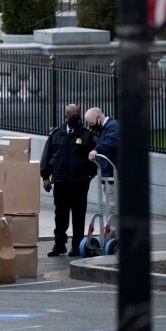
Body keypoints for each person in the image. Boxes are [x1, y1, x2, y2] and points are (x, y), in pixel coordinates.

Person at [40, 104, 97, 257]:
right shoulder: (56, 134)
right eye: (74, 115)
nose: (77, 118)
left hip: (79, 183)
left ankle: (77, 246)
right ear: (66, 116)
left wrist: (89, 176)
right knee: (60, 215)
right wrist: (45, 177)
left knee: (78, 215)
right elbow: (47, 156)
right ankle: (59, 245)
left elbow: (94, 156)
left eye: (78, 114)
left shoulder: (86, 135)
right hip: (60, 182)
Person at [84, 107, 119, 215]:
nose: (91, 126)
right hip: (109, 176)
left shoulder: (113, 126)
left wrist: (96, 150)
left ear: (99, 118)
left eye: (92, 123)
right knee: (111, 207)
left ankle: (114, 231)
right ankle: (113, 230)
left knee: (113, 209)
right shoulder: (105, 129)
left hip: (114, 176)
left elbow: (111, 143)